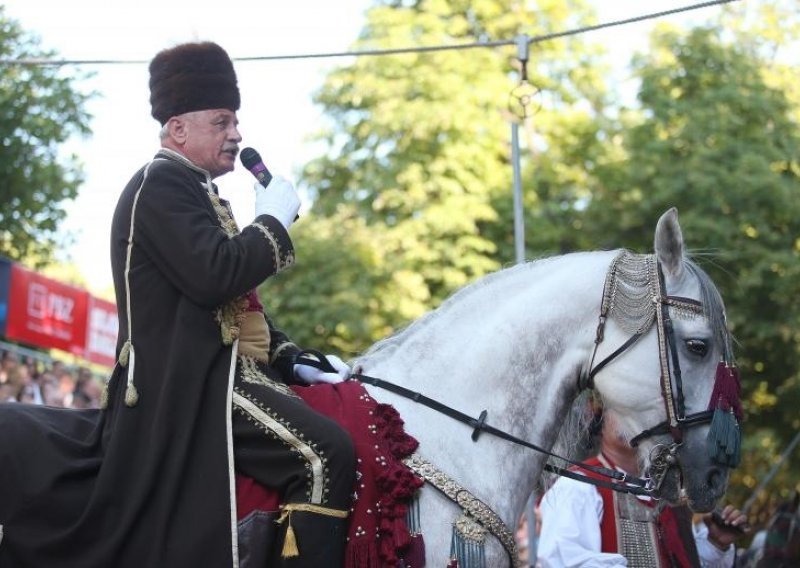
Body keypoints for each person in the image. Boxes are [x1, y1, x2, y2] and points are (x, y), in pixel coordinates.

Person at [0, 41, 355, 568]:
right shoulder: (159, 183)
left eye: (236, 122)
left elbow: (237, 306)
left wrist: (290, 356)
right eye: (222, 121)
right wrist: (273, 222)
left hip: (218, 376)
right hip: (191, 386)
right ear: (178, 128)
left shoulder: (199, 192)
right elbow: (216, 275)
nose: (237, 134)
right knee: (328, 455)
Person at [537, 409, 749, 567]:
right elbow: (561, 561)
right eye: (620, 410)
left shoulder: (669, 491)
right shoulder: (578, 485)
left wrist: (715, 543)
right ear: (599, 421)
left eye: (639, 412)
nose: (631, 419)